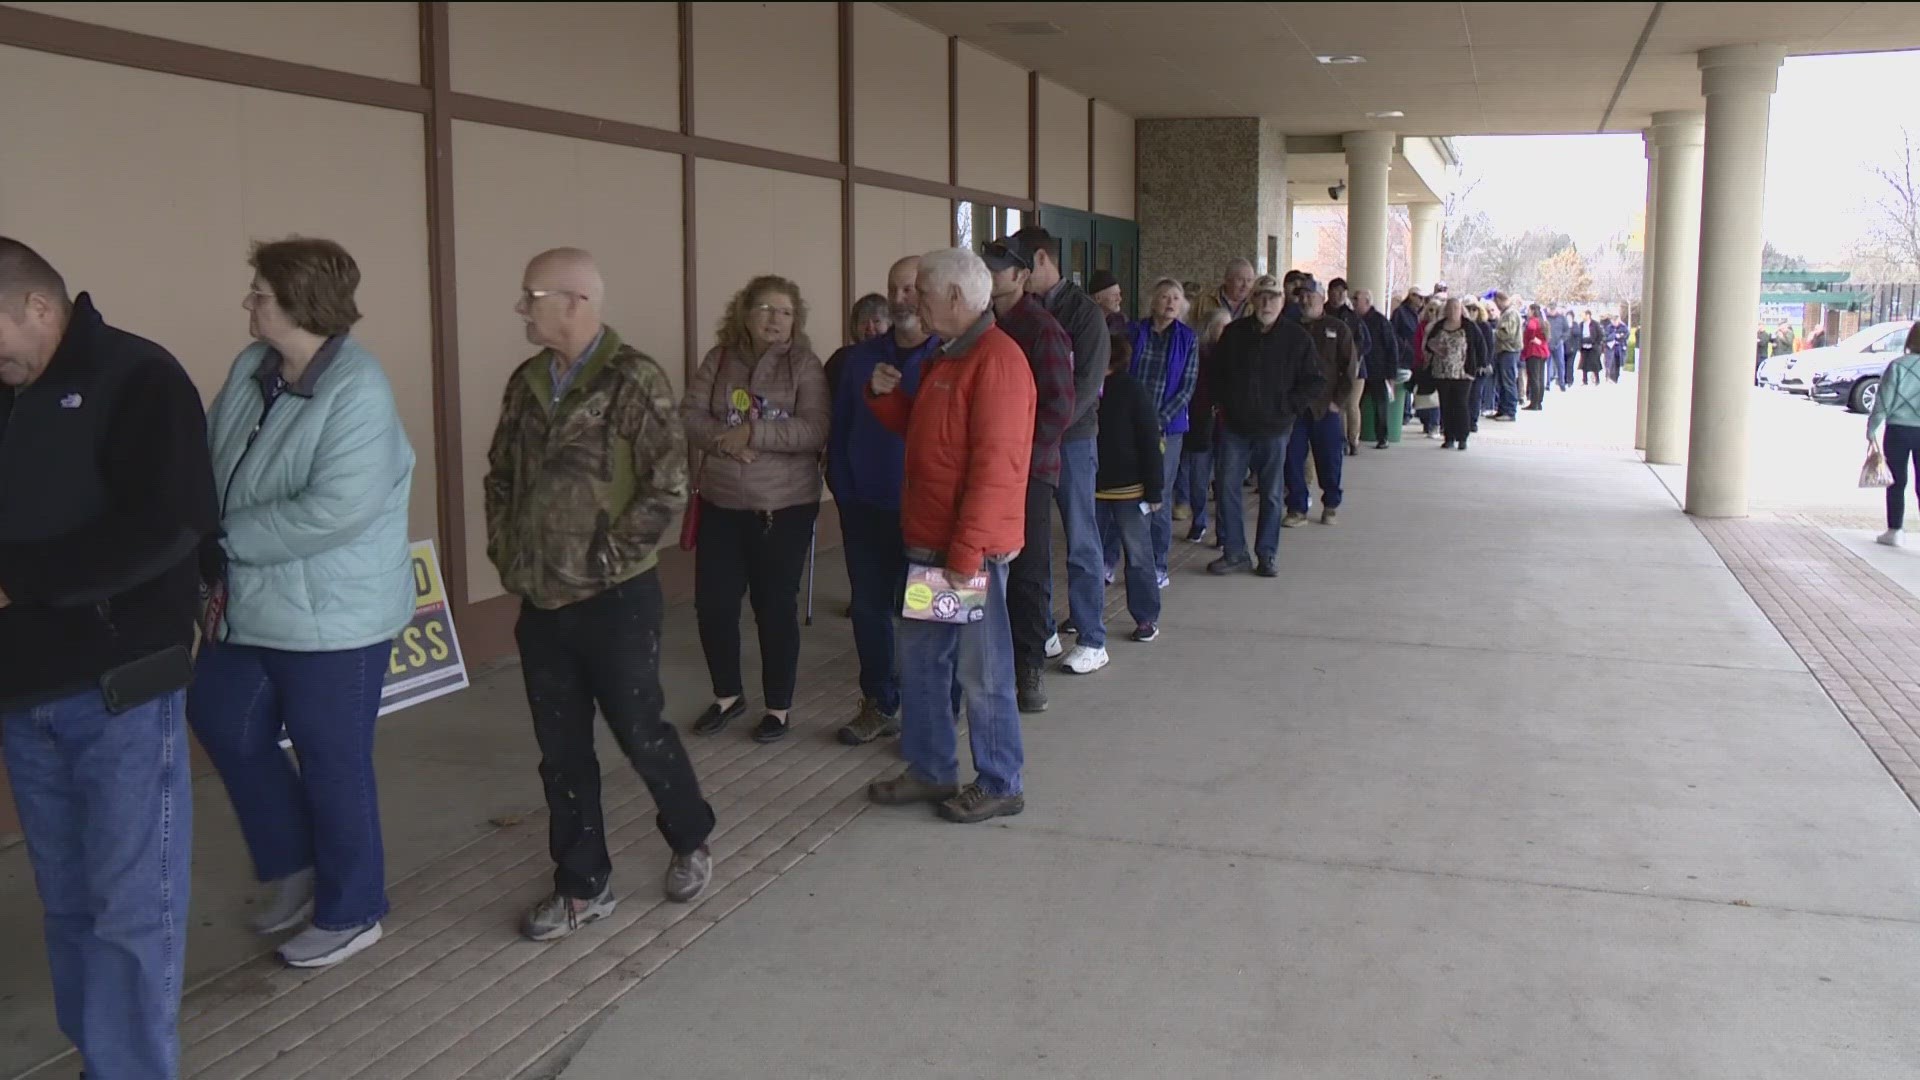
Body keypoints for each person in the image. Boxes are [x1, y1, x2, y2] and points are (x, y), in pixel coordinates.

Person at [0, 238, 218, 1080]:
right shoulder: (9, 390)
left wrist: (21, 581)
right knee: (67, 905)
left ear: (39, 309)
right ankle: (106, 1059)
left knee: (132, 908)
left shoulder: (139, 378)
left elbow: (171, 524)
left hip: (120, 689)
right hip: (24, 696)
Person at [191, 237, 415, 970]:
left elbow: (333, 511)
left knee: (332, 759)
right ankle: (295, 863)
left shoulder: (359, 388)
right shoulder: (252, 367)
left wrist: (225, 539)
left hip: (334, 617)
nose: (248, 302)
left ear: (297, 303)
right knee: (221, 716)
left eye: (259, 292)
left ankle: (354, 911)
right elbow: (212, 454)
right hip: (252, 602)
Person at [486, 248, 717, 940]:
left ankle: (690, 836)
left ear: (577, 302)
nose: (523, 308)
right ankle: (584, 883)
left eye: (533, 295)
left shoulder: (632, 379)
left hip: (617, 597)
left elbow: (668, 483)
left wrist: (608, 555)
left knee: (640, 732)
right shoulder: (527, 382)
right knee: (560, 750)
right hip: (542, 600)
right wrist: (507, 550)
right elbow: (500, 475)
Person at [865, 247, 1035, 824]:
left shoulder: (997, 361)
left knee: (980, 673)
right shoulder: (950, 356)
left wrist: (966, 554)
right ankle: (932, 769)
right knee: (924, 664)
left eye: (924, 293)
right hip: (935, 544)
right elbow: (930, 437)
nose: (914, 303)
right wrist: (891, 403)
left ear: (958, 298)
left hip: (963, 552)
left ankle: (1000, 781)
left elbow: (997, 466)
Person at [682, 275, 828, 744]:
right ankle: (727, 695)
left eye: (784, 312)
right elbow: (691, 414)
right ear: (744, 312)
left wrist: (755, 435)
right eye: (765, 309)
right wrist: (725, 442)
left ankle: (777, 707)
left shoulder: (804, 364)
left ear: (795, 321)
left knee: (774, 607)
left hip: (783, 507)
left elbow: (814, 430)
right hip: (722, 502)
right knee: (714, 605)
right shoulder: (719, 358)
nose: (773, 319)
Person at [825, 257, 941, 745]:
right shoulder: (858, 359)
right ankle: (880, 701)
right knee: (871, 609)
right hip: (866, 509)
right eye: (894, 288)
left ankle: (932, 716)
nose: (901, 297)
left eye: (912, 288)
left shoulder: (951, 357)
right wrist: (844, 492)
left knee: (929, 614)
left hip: (932, 515)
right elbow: (841, 427)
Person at [1006, 226, 1109, 676]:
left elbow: (1085, 387)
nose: (1016, 280)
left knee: (1080, 538)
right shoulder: (1018, 314)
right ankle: (1042, 629)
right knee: (1033, 541)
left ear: (1042, 261)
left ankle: (1092, 636)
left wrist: (1044, 430)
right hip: (1027, 443)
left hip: (1072, 441)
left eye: (1022, 269)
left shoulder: (1084, 313)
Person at [980, 239, 1075, 714]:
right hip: (976, 473)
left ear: (1021, 276)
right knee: (974, 570)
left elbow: (1059, 408)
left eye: (1001, 269)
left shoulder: (1041, 330)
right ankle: (975, 668)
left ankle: (1028, 665)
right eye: (986, 268)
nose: (992, 275)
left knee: (1028, 572)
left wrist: (1014, 459)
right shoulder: (973, 329)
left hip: (1028, 473)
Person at [1205, 275, 1324, 578]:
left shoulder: (1297, 339)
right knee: (1228, 490)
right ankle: (1234, 553)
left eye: (1273, 297)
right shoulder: (1233, 334)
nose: (1267, 303)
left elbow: (1313, 382)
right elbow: (1215, 373)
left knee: (1271, 494)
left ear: (1283, 302)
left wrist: (1288, 409)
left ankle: (1267, 554)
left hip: (1275, 429)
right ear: (1253, 300)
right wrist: (1222, 403)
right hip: (1235, 427)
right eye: (1262, 297)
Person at [1122, 278, 1199, 588]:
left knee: (1160, 496)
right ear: (1152, 301)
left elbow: (1187, 387)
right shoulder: (1133, 332)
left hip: (1168, 429)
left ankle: (1158, 563)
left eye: (1176, 298)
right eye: (1164, 296)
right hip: (1130, 426)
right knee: (1124, 492)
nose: (1170, 302)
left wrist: (1160, 421)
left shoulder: (1187, 338)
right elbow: (1123, 375)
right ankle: (1117, 560)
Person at [1095, 332, 1164, 641]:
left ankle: (1146, 617)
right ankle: (1086, 613)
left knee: (1138, 556)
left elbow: (1151, 441)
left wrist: (1155, 490)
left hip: (1130, 489)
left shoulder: (1132, 390)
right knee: (1087, 556)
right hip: (1091, 486)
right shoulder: (1084, 387)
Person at [1284, 284, 1355, 526]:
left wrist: (1339, 402)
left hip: (1326, 407)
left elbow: (1350, 369)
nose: (1305, 300)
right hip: (1296, 407)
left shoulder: (1338, 329)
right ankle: (1296, 508)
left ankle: (1331, 504)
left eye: (1310, 296)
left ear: (1322, 299)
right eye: (1302, 296)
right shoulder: (1289, 329)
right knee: (1292, 458)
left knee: (1329, 459)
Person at [1176, 306, 1231, 540]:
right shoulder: (1197, 354)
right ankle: (1198, 521)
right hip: (1201, 424)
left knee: (1227, 482)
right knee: (1198, 480)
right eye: (1223, 326)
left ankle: (1223, 531)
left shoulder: (1235, 355)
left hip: (1228, 426)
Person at [1868, 324, 1920, 547]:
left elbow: (1883, 401)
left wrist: (1872, 429)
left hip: (1898, 430)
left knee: (1896, 481)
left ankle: (1895, 531)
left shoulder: (1897, 366)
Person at [1425, 297, 1478, 450]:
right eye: (1450, 308)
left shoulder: (1469, 326)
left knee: (1460, 405)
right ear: (1445, 310)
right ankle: (1449, 436)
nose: (1453, 311)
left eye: (1456, 308)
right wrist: (1435, 347)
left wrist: (1476, 367)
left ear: (1461, 310)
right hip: (1442, 373)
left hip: (1462, 374)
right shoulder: (1439, 326)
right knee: (1446, 405)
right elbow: (1428, 343)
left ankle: (1462, 437)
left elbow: (1480, 346)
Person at [1354, 289, 1399, 450]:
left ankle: (1382, 437)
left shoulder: (1380, 321)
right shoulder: (1352, 320)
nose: (1353, 302)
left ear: (1367, 301)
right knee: (1353, 405)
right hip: (1358, 370)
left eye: (1356, 299)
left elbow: (1391, 347)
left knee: (1380, 406)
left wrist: (1391, 373)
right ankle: (1353, 438)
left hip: (1377, 371)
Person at [824, 292, 891, 399]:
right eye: (864, 321)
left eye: (876, 321)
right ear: (855, 326)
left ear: (889, 324)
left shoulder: (897, 357)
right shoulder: (841, 358)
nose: (870, 327)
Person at [1188, 256, 1257, 330]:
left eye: (1249, 280)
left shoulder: (1255, 303)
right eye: (1240, 280)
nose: (1245, 285)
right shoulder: (1203, 300)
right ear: (1227, 280)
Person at [1491, 291, 1523, 421]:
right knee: (1502, 383)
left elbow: (1507, 334)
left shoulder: (1511, 314)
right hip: (1503, 351)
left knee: (1508, 381)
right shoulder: (1507, 313)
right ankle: (1502, 409)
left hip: (1509, 351)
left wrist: (1494, 333)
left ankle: (1510, 411)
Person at [1522, 303, 1551, 411]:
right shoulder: (1544, 322)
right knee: (1540, 377)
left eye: (1529, 310)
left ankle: (1534, 402)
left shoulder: (1533, 321)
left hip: (1534, 351)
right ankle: (1539, 401)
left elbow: (1530, 328)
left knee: (1533, 377)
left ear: (1533, 311)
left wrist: (1530, 337)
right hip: (1543, 351)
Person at [1545, 303, 1573, 391]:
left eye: (1553, 309)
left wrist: (1562, 339)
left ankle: (1561, 383)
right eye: (1550, 309)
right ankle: (1547, 383)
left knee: (1560, 364)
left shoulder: (1562, 318)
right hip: (1547, 344)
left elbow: (1567, 331)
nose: (1552, 311)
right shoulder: (1545, 318)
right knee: (1547, 365)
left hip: (1558, 344)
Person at [1088, 268, 1127, 332]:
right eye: (1114, 295)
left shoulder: (1121, 321)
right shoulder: (1085, 323)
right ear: (1098, 298)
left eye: (1119, 294)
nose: (1119, 299)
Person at [1576, 310, 1605, 385]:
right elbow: (1578, 335)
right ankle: (1585, 380)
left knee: (1595, 364)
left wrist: (1596, 343)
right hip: (1584, 346)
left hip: (1593, 346)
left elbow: (1600, 334)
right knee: (1584, 364)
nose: (1582, 317)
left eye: (1584, 315)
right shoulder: (1581, 324)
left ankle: (1597, 380)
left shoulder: (1595, 324)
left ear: (1588, 315)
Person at [1605, 314, 1630, 382]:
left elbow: (1626, 335)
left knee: (1617, 363)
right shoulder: (1609, 327)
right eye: (1613, 321)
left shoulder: (1624, 327)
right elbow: (1606, 337)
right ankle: (1609, 377)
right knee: (1610, 363)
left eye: (1616, 321)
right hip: (1610, 347)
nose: (1615, 323)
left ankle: (1615, 378)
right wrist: (1614, 335)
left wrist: (1621, 337)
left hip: (1619, 348)